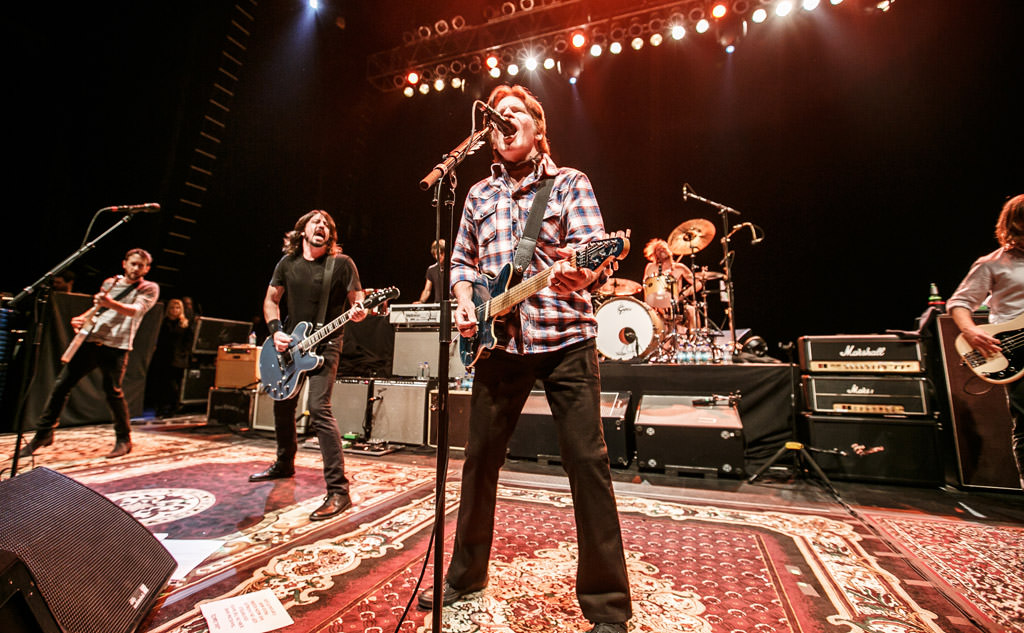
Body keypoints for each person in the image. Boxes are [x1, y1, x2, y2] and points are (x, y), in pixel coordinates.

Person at [416, 85, 631, 633]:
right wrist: (466, 305)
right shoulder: (478, 196)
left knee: (587, 463)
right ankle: (464, 578)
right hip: (497, 344)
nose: (502, 121)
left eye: (514, 114)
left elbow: (589, 261)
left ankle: (608, 607)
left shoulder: (569, 183)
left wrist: (578, 270)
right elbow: (462, 264)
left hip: (566, 339)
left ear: (538, 125)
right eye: (495, 117)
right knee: (479, 460)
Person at [249, 209, 367, 521]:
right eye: (316, 222)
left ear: (331, 236)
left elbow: (359, 300)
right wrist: (276, 333)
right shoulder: (287, 264)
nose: (322, 227)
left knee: (319, 408)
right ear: (302, 230)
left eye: (328, 225)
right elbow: (271, 300)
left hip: (327, 343)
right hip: (290, 343)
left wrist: (360, 311)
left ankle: (339, 491)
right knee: (281, 402)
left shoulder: (342, 264)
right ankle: (284, 462)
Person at [20, 248, 159, 458]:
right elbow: (99, 308)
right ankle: (44, 433)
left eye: (141, 265)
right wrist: (82, 317)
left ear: (147, 269)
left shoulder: (148, 288)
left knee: (113, 392)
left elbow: (136, 311)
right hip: (92, 340)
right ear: (124, 264)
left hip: (117, 345)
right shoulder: (110, 283)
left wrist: (109, 302)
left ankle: (124, 440)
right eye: (133, 263)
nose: (136, 268)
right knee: (61, 385)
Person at [947, 193, 1024, 487]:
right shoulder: (992, 263)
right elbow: (959, 302)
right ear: (1015, 222)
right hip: (1013, 350)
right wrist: (970, 331)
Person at [146, 298, 194, 417]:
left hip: (178, 358)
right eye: (172, 308)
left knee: (174, 385)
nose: (174, 310)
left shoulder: (184, 324)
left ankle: (173, 408)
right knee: (161, 383)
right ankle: (160, 408)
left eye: (177, 308)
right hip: (162, 357)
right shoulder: (163, 322)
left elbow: (188, 342)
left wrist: (184, 354)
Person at [642, 237, 699, 330]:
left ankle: (693, 339)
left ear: (670, 250)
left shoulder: (679, 267)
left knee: (692, 310)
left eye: (663, 248)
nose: (661, 250)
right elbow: (646, 286)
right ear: (654, 255)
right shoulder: (651, 267)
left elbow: (697, 283)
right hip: (657, 304)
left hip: (677, 303)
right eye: (658, 250)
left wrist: (684, 294)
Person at [415, 239, 445, 303]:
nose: (438, 256)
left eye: (440, 253)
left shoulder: (455, 268)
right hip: (438, 305)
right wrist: (421, 301)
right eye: (436, 254)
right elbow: (427, 290)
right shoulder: (431, 270)